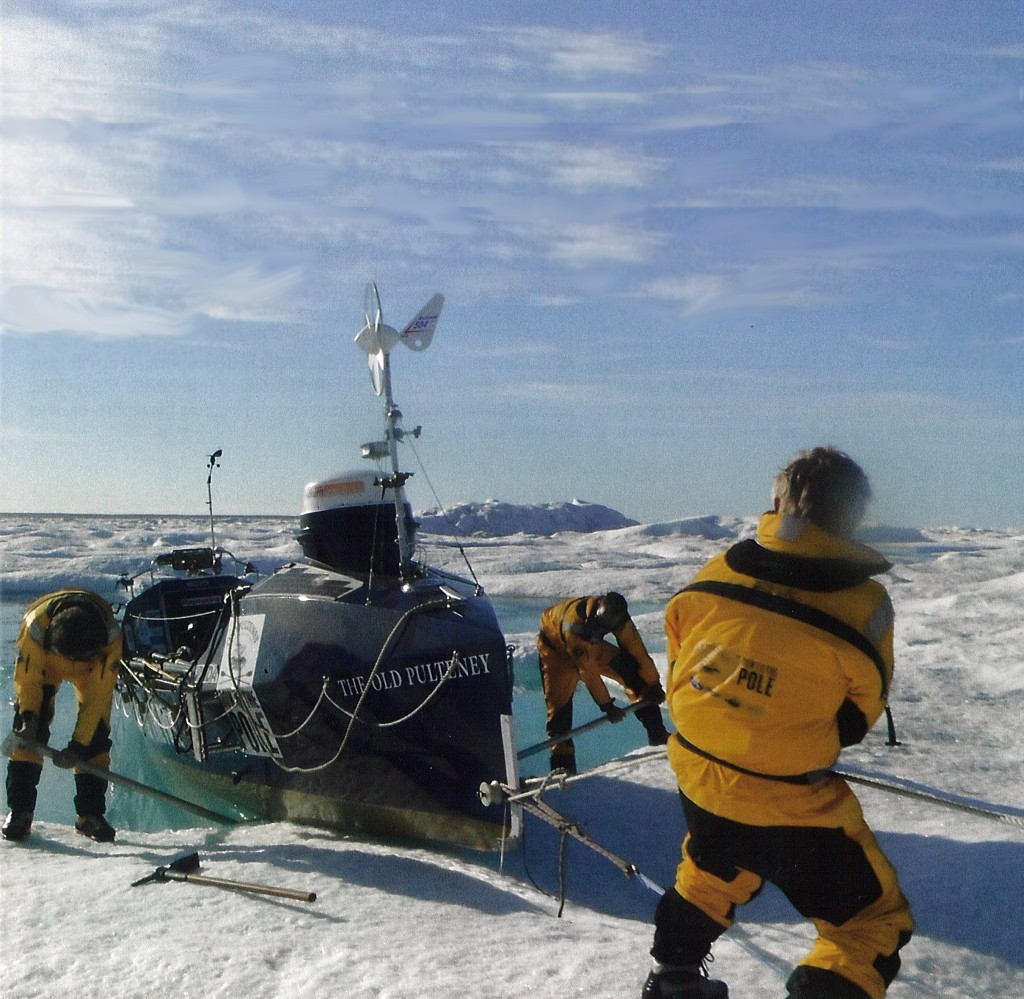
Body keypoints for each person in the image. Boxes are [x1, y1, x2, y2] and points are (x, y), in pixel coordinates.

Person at [643, 447, 914, 999]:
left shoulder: (719, 569)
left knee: (713, 870)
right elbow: (859, 713)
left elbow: (679, 657)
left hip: (700, 776)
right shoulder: (865, 603)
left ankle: (671, 980)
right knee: (870, 925)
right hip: (792, 803)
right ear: (855, 515)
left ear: (777, 501)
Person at [2, 589, 123, 843]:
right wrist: (28, 717)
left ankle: (89, 815)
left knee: (95, 736)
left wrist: (78, 747)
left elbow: (97, 699)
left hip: (93, 670)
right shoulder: (35, 628)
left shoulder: (111, 639)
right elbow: (28, 679)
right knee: (30, 732)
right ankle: (20, 811)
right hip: (48, 662)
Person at [537, 591, 670, 774]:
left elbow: (636, 649)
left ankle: (658, 735)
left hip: (591, 647)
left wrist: (653, 684)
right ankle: (563, 768)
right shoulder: (574, 626)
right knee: (559, 714)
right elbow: (589, 673)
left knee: (633, 673)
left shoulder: (619, 618)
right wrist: (607, 706)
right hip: (557, 654)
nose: (600, 631)